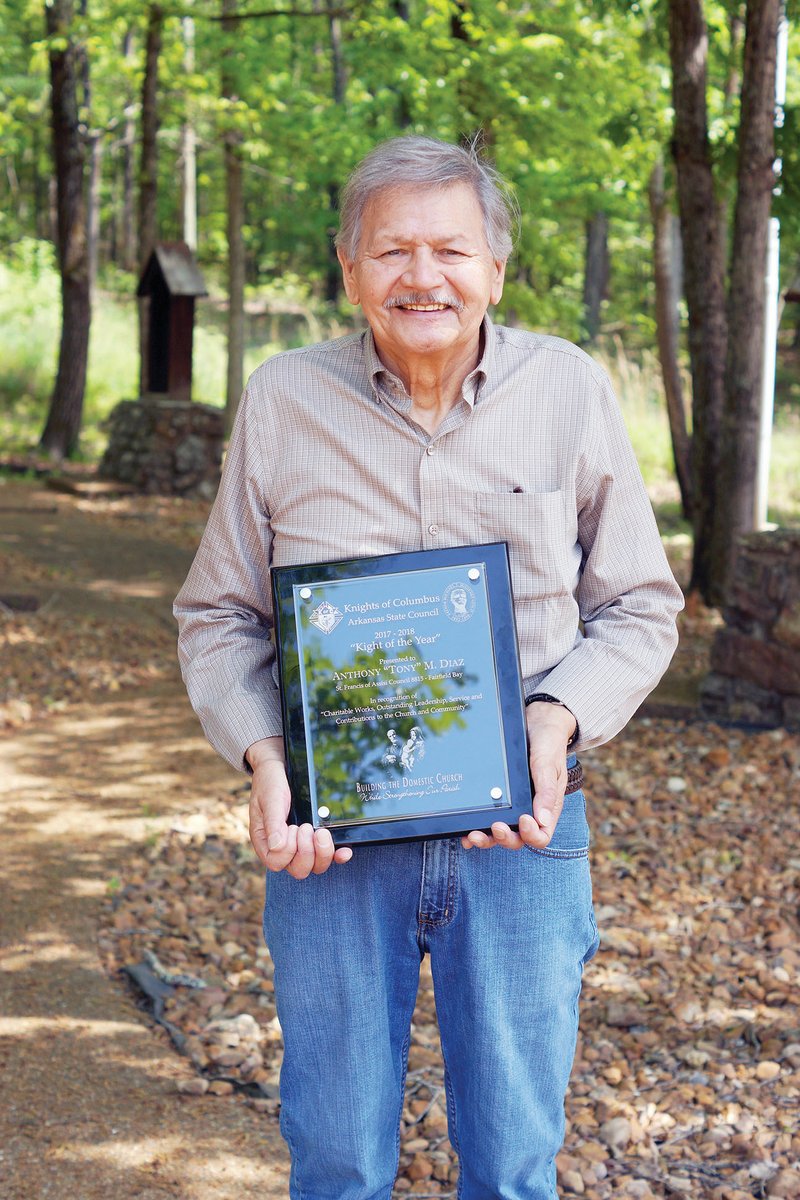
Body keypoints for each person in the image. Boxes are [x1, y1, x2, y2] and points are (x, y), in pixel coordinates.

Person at [174, 135, 683, 1200]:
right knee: (336, 1161)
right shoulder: (281, 400)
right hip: (331, 851)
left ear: (495, 265)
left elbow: (637, 606)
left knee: (509, 1169)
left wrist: (552, 721)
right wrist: (267, 758)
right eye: (391, 249)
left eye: (449, 248)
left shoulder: (569, 392)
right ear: (347, 267)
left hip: (524, 842)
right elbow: (219, 614)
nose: (422, 276)